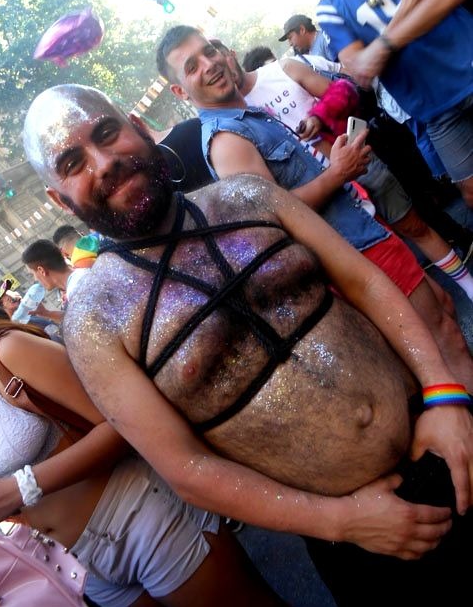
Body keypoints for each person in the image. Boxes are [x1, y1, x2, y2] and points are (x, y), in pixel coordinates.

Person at [22, 82, 473, 607]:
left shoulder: (248, 196)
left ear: (138, 127)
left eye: (106, 133)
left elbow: (365, 284)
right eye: (73, 162)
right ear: (59, 198)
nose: (103, 163)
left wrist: (445, 395)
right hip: (362, 535)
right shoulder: (93, 322)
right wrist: (344, 522)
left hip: (438, 436)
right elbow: (187, 468)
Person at [160, 26, 473, 380]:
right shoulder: (227, 140)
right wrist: (336, 173)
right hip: (355, 255)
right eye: (192, 66)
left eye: (209, 51)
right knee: (442, 342)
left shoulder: (246, 116)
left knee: (442, 313)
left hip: (363, 230)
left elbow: (343, 92)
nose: (210, 64)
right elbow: (270, 219)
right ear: (178, 90)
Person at [0, 305, 285, 607]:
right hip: (80, 567)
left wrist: (18, 489)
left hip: (141, 517)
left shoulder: (5, 353)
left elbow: (122, 423)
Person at [213, 37, 473, 301]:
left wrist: (319, 117)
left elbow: (343, 91)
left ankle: (468, 286)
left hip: (360, 166)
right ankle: (437, 303)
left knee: (415, 228)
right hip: (329, 202)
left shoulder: (282, 70)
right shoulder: (235, 124)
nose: (217, 65)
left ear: (230, 53)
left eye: (218, 55)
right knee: (388, 259)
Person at [293, 0, 473, 208]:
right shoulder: (330, 7)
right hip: (435, 111)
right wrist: (406, 11)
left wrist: (378, 48)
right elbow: (361, 71)